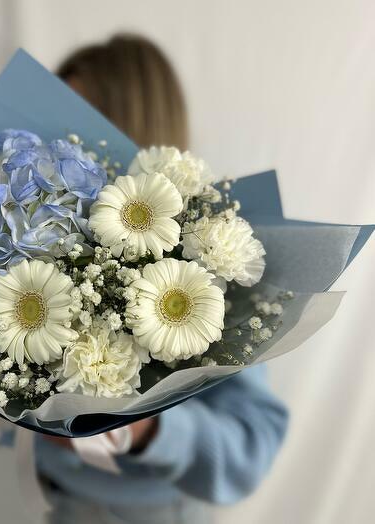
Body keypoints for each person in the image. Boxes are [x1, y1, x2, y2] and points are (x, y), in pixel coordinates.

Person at [18, 34, 289, 524]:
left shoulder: (210, 262)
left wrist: (139, 428)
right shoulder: (40, 250)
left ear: (131, 127)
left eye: (76, 124)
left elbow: (253, 447)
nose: (57, 145)